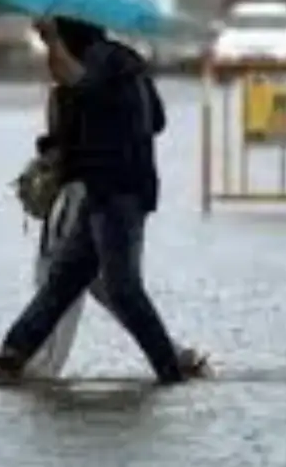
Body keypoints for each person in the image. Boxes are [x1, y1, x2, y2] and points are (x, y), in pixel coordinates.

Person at [0, 17, 195, 384]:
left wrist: (51, 41)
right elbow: (155, 121)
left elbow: (80, 82)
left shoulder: (102, 64)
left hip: (118, 191)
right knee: (64, 280)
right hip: (105, 189)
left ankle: (171, 367)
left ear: (70, 37)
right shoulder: (125, 64)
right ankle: (12, 356)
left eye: (58, 41)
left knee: (123, 289)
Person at [22, 70, 208, 379]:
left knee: (64, 280)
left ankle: (32, 365)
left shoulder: (88, 88)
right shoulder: (103, 81)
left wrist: (52, 150)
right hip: (105, 198)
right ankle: (175, 357)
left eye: (51, 41)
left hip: (88, 197)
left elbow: (71, 146)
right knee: (104, 286)